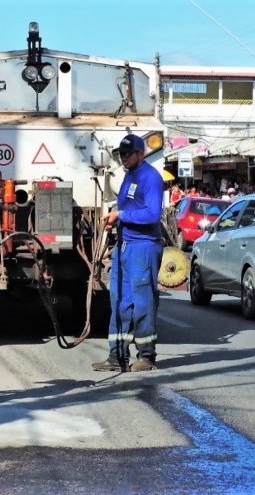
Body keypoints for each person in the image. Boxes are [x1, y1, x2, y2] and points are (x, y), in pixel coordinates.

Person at [92, 134, 164, 373]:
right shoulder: (129, 175)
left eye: (128, 154)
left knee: (142, 302)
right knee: (120, 301)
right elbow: (129, 207)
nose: (123, 158)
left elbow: (152, 214)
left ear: (141, 153)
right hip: (125, 245)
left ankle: (146, 355)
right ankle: (117, 357)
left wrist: (121, 216)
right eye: (121, 154)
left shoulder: (150, 177)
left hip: (143, 247)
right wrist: (116, 216)